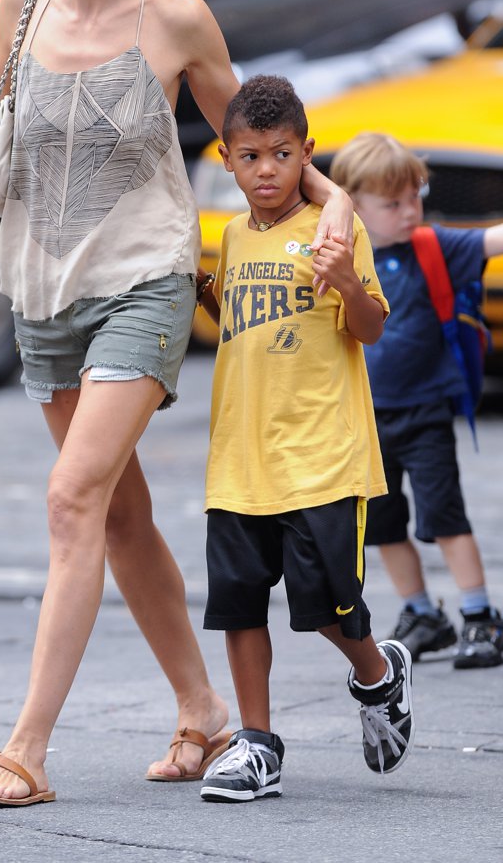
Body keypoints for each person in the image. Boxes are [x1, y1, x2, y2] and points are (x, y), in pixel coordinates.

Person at [0, 0, 352, 807]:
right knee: (121, 512)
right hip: (43, 289)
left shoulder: (176, 18)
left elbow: (253, 140)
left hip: (143, 283)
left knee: (71, 502)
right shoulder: (19, 6)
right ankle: (200, 713)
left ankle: (25, 751)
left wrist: (340, 205)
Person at [196, 76, 414, 804]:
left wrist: (347, 284)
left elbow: (369, 328)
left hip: (322, 458)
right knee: (236, 602)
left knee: (324, 606)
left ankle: (376, 674)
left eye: (281, 154)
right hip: (239, 458)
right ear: (226, 158)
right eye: (250, 155)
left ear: (306, 154)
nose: (265, 170)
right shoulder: (229, 235)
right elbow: (233, 319)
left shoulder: (332, 227)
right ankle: (255, 743)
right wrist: (197, 291)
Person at [330, 132, 503, 669]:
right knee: (381, 524)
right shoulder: (339, 261)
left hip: (425, 413)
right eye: (393, 203)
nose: (410, 212)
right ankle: (422, 613)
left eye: (415, 197)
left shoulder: (435, 247)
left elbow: (493, 240)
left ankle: (479, 617)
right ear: (353, 204)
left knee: (444, 515)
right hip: (363, 421)